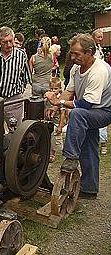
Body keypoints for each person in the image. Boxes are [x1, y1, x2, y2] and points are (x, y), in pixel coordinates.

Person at [45, 33, 111, 200]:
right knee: (89, 147)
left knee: (77, 114)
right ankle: (89, 189)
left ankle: (71, 157)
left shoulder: (99, 71)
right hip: (90, 111)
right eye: (71, 53)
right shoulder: (76, 68)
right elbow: (69, 91)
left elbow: (85, 105)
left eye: (77, 54)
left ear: (89, 53)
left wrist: (59, 104)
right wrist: (56, 103)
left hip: (103, 111)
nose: (72, 57)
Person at [0, 26, 32, 129]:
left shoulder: (21, 55)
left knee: (15, 131)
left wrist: (20, 91)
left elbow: (27, 76)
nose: (9, 45)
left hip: (14, 99)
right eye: (5, 42)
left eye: (11, 41)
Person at [92, 28, 108, 155]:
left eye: (102, 36)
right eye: (99, 37)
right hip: (98, 83)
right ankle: (99, 142)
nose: (101, 39)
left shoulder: (99, 48)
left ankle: (103, 142)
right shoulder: (92, 51)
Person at [46, 77, 66, 163]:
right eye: (51, 88)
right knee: (49, 137)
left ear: (60, 88)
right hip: (49, 121)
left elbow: (63, 113)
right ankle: (48, 151)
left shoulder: (60, 99)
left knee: (56, 138)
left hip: (57, 122)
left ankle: (53, 153)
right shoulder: (48, 97)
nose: (53, 90)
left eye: (55, 89)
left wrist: (60, 126)